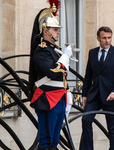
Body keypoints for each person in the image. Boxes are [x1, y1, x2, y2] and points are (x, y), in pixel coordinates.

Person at [28, 1, 73, 149]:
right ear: (45, 30)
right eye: (55, 29)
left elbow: (63, 76)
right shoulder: (42, 50)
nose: (58, 32)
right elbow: (52, 72)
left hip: (59, 97)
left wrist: (68, 95)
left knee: (54, 142)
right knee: (46, 141)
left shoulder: (54, 50)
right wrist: (65, 57)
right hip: (48, 98)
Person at [81, 26, 114, 150]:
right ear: (98, 39)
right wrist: (84, 94)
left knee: (113, 128)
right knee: (86, 120)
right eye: (104, 38)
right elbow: (88, 75)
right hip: (94, 95)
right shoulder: (92, 52)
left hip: (111, 96)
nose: (107, 41)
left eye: (109, 38)